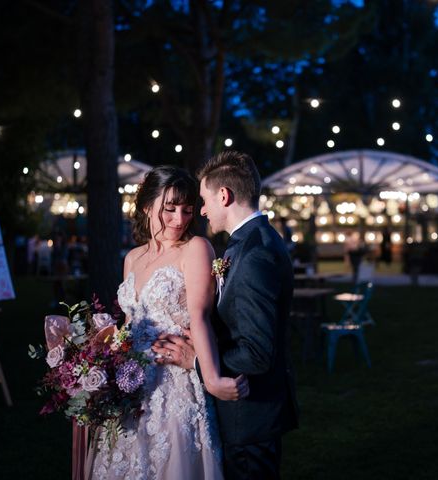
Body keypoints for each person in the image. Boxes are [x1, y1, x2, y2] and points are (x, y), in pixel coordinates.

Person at [88, 166, 248, 479]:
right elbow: (132, 323)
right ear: (147, 206)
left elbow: (200, 317)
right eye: (169, 209)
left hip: (173, 388)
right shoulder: (132, 258)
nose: (179, 220)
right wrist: (100, 369)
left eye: (187, 210)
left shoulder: (195, 249)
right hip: (130, 385)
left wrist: (212, 378)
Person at [154, 151, 298, 479]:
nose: (201, 210)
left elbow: (257, 353)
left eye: (203, 200)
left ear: (224, 195)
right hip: (249, 414)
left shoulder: (254, 255)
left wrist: (196, 362)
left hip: (250, 415)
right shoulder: (249, 242)